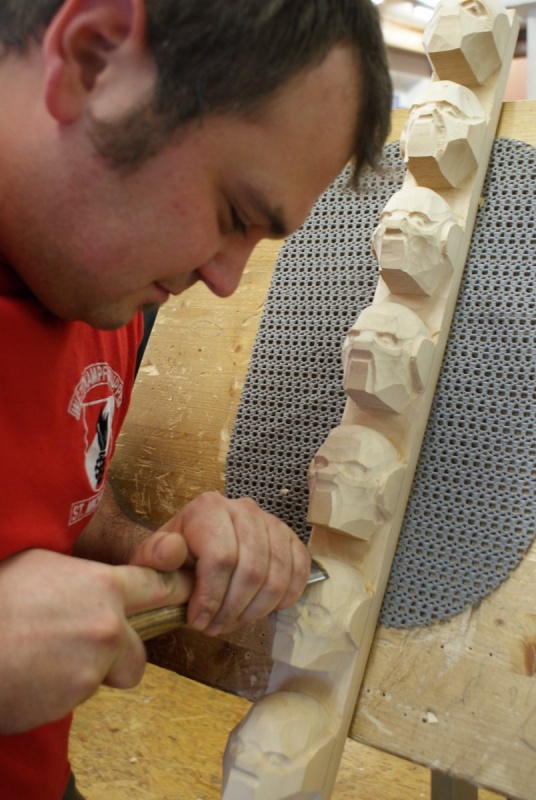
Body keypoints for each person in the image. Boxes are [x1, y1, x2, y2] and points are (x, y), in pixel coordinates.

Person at [0, 1, 392, 798]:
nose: (224, 280)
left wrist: (152, 549)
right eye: (233, 215)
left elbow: (53, 505)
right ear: (94, 58)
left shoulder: (97, 295)